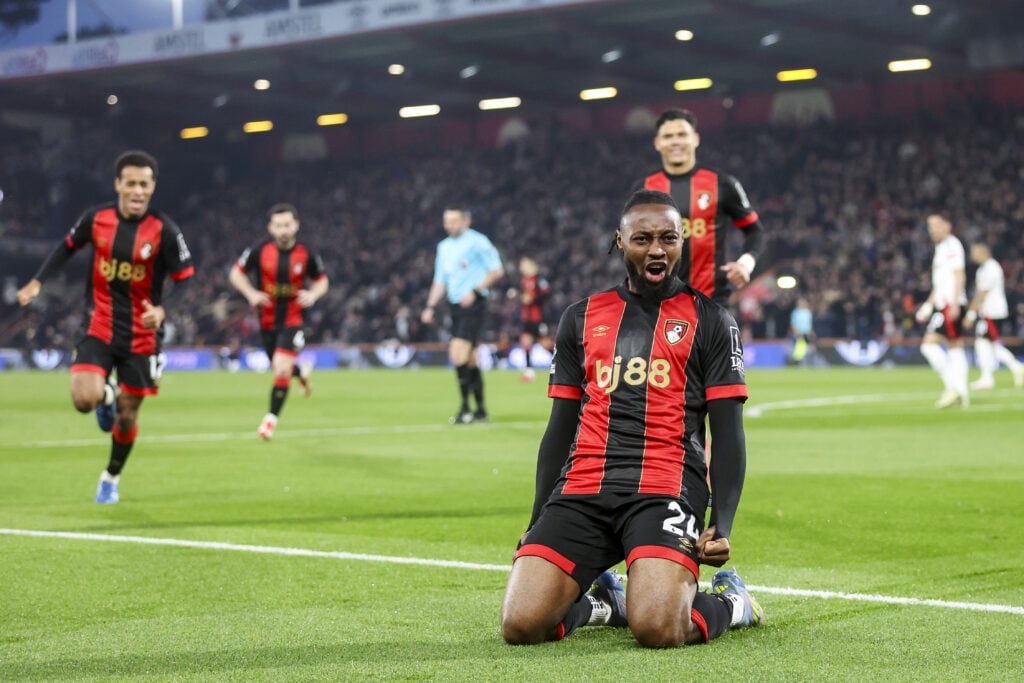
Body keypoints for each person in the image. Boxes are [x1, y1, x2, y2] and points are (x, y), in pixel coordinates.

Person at [501, 189, 763, 649]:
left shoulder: (712, 321)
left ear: (683, 241)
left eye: (668, 238)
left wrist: (721, 525)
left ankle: (733, 603)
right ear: (619, 242)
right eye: (643, 238)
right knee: (521, 625)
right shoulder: (579, 318)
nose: (657, 249)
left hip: (665, 487)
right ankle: (605, 604)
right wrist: (538, 513)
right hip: (583, 485)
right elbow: (559, 427)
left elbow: (728, 432)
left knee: (659, 629)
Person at [15, 150, 194, 504]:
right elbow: (66, 248)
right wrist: (38, 282)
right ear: (118, 185)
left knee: (127, 417)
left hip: (143, 336)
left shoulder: (165, 231)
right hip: (100, 324)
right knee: (84, 399)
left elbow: (185, 279)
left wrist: (162, 309)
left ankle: (111, 476)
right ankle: (105, 395)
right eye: (131, 183)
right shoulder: (95, 219)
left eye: (144, 184)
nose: (137, 191)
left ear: (153, 187)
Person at [633, 108, 767, 306]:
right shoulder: (643, 189)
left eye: (682, 134)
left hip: (712, 303)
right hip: (658, 306)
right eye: (668, 136)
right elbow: (627, 242)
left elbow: (755, 232)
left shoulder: (722, 184)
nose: (676, 141)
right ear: (657, 143)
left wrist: (745, 264)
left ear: (695, 139)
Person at [229, 203, 329, 440]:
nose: (283, 230)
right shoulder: (259, 251)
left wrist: (313, 295)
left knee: (281, 367)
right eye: (278, 226)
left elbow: (322, 280)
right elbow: (236, 273)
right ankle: (300, 372)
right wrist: (251, 293)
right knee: (279, 366)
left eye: (287, 225)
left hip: (295, 319)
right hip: (267, 321)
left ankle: (269, 421)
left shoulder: (307, 254)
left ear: (296, 225)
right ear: (270, 228)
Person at [420, 204, 504, 424]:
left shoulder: (478, 242)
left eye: (454, 221)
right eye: (446, 221)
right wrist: (430, 306)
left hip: (474, 305)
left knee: (457, 354)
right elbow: (440, 280)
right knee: (471, 359)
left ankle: (465, 409)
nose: (449, 225)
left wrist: (475, 291)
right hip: (455, 306)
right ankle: (481, 411)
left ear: (466, 221)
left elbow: (497, 270)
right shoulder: (443, 247)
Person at [915, 212, 970, 408]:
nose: (933, 230)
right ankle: (962, 393)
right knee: (955, 347)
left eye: (936, 225)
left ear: (948, 225)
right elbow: (940, 284)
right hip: (944, 303)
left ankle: (952, 387)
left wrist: (954, 303)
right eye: (930, 227)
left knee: (928, 345)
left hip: (950, 305)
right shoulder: (941, 248)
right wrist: (928, 305)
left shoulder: (951, 245)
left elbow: (959, 275)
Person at [964, 242, 1024, 389]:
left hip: (992, 312)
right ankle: (993, 375)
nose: (973, 255)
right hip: (990, 312)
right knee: (986, 343)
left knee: (985, 343)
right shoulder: (984, 269)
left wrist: (971, 314)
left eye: (975, 252)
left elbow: (982, 293)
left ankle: (1014, 367)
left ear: (983, 252)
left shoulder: (990, 268)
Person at [514, 255, 551, 382]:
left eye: (524, 264)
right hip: (527, 318)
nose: (521, 267)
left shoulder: (540, 279)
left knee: (545, 344)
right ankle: (529, 373)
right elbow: (524, 298)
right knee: (525, 341)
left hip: (539, 318)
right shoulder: (524, 280)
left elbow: (546, 296)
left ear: (531, 265)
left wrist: (533, 300)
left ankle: (564, 365)